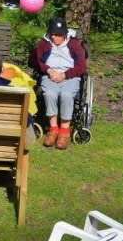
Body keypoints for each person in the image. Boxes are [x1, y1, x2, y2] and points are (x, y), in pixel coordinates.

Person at [28, 17, 86, 150]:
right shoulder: (44, 43)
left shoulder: (74, 45)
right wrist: (48, 69)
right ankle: (53, 129)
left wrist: (65, 74)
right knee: (50, 93)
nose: (54, 37)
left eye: (58, 35)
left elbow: (82, 67)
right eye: (52, 34)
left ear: (65, 34)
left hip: (70, 77)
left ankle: (64, 132)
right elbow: (32, 61)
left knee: (66, 95)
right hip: (49, 76)